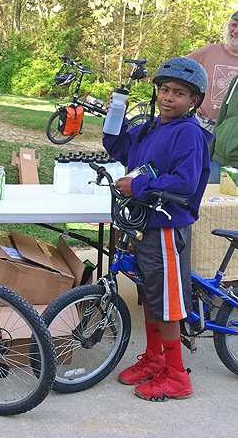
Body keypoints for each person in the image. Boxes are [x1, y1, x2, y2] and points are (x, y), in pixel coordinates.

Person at [103, 57, 213, 401]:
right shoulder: (151, 128)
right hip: (145, 224)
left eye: (179, 93)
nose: (168, 97)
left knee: (167, 301)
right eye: (164, 90)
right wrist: (115, 111)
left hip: (167, 225)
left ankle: (178, 376)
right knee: (152, 295)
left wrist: (137, 187)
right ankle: (155, 359)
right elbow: (116, 147)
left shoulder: (189, 134)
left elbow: (184, 182)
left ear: (193, 101)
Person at [187, 11, 238, 133]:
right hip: (204, 126)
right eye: (234, 25)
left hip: (233, 131)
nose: (236, 31)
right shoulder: (208, 52)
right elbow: (177, 70)